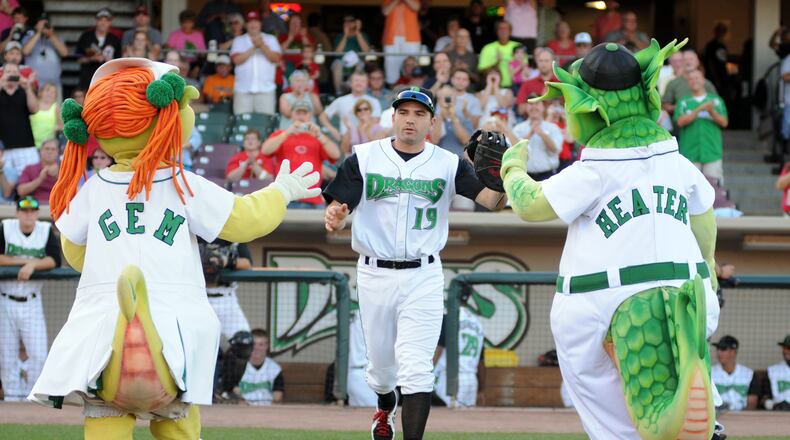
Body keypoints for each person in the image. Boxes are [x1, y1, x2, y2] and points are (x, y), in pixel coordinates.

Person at [323, 87, 506, 440]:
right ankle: (384, 403)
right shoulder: (364, 157)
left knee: (418, 368)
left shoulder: (449, 163)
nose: (410, 119)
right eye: (404, 112)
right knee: (380, 369)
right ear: (393, 118)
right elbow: (336, 209)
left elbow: (493, 202)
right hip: (374, 272)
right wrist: (334, 215)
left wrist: (503, 173)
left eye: (419, 114)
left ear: (432, 123)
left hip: (424, 274)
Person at [0, 196, 60, 401]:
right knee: (7, 358)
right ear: (17, 213)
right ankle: (11, 399)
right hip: (5, 300)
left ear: (36, 213)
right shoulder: (6, 227)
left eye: (32, 211)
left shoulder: (44, 231)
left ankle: (33, 400)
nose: (28, 214)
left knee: (38, 354)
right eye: (24, 211)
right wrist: (21, 262)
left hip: (32, 301)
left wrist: (33, 265)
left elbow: (54, 260)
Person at [262, 101, 341, 209]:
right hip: (286, 197)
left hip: (312, 198)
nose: (301, 116)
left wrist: (320, 135)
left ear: (310, 116)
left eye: (305, 113)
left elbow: (336, 154)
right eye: (298, 113)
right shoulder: (282, 134)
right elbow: (265, 150)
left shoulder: (317, 137)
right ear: (292, 115)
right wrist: (286, 133)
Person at [673, 69, 728, 183]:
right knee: (690, 190)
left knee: (714, 190)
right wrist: (699, 109)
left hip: (712, 152)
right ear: (688, 83)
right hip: (690, 153)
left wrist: (711, 111)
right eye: (691, 79)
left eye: (697, 78)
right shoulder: (683, 101)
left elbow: (724, 122)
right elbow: (680, 122)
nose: (694, 81)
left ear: (703, 80)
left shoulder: (715, 100)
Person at [433, 290, 485, 407]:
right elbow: (481, 362)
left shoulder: (449, 318)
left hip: (451, 379)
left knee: (449, 420)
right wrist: (481, 390)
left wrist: (426, 374)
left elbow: (438, 351)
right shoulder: (477, 323)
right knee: (468, 421)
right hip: (471, 381)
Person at [199, 238, 252, 339]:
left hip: (227, 298)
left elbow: (247, 263)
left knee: (244, 341)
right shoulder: (196, 234)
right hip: (201, 298)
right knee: (202, 343)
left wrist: (226, 261)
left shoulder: (235, 236)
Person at [230, 10, 281, 115]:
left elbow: (276, 58)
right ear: (246, 24)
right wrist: (254, 47)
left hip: (266, 90)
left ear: (260, 24)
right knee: (241, 123)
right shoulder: (238, 40)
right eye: (250, 22)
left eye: (256, 21)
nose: (253, 24)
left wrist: (262, 46)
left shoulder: (271, 39)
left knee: (265, 123)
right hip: (243, 90)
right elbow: (236, 60)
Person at [319, 71, 382, 140]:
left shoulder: (374, 101)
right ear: (350, 83)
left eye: (362, 81)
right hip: (345, 141)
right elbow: (323, 116)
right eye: (356, 80)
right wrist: (333, 130)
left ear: (367, 84)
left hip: (366, 140)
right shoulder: (341, 100)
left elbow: (375, 122)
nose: (359, 83)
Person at [512, 95, 563, 180]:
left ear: (543, 107)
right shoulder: (518, 128)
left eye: (537, 104)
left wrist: (541, 133)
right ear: (526, 107)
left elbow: (555, 150)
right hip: (525, 176)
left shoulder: (553, 128)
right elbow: (516, 151)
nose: (534, 107)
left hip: (548, 176)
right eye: (531, 104)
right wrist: (530, 133)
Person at [0, 63, 38, 175]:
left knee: (29, 180)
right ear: (3, 74)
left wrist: (28, 88)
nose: (11, 75)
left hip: (26, 147)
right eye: (8, 72)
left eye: (15, 73)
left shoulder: (24, 92)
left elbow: (34, 109)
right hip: (3, 149)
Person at [21, 13, 68, 96]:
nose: (44, 26)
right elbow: (25, 51)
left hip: (54, 84)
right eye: (41, 24)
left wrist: (51, 35)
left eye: (46, 24)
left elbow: (65, 53)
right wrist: (38, 33)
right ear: (36, 25)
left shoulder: (57, 38)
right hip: (33, 84)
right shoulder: (28, 37)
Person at [74, 8, 121, 89]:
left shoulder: (115, 40)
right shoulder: (86, 37)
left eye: (106, 20)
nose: (103, 23)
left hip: (108, 81)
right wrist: (92, 59)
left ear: (110, 22)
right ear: (96, 21)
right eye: (100, 20)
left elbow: (119, 62)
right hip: (87, 81)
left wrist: (109, 61)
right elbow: (78, 59)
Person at [710, 335, 759, 412]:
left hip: (742, 417)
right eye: (718, 349)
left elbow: (752, 401)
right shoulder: (710, 372)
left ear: (733, 352)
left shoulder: (748, 374)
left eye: (723, 349)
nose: (719, 352)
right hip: (716, 417)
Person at [662, 50, 719, 114]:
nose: (688, 62)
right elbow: (665, 106)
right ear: (681, 63)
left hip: (705, 121)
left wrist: (702, 107)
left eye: (691, 59)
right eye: (685, 60)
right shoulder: (673, 83)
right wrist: (682, 106)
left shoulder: (707, 83)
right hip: (681, 121)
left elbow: (717, 103)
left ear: (698, 62)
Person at [237, 328, 284, 405]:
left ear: (267, 346)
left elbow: (278, 397)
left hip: (267, 411)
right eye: (254, 344)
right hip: (243, 410)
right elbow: (232, 393)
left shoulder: (275, 369)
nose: (257, 348)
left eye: (261, 344)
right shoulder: (237, 366)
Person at [382, 0, 421, 85]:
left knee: (412, 65)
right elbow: (385, 11)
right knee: (391, 66)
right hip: (391, 39)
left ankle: (414, 87)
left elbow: (416, 7)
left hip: (411, 38)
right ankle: (392, 89)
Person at [347, 309, 378, 407]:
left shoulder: (355, 313)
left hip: (354, 375)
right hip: (363, 375)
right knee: (373, 416)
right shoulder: (371, 315)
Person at [331, 15, 370, 94]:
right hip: (341, 61)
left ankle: (356, 91)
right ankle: (338, 93)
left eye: (350, 21)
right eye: (346, 21)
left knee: (359, 65)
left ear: (356, 23)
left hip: (357, 62)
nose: (347, 23)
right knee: (337, 65)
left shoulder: (362, 35)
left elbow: (366, 51)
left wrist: (358, 31)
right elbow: (337, 53)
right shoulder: (340, 36)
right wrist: (345, 35)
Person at [478, 20, 521, 88]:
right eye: (500, 28)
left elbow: (525, 67)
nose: (503, 31)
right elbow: (481, 71)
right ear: (496, 31)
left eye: (506, 28)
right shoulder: (487, 48)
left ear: (510, 32)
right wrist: (496, 63)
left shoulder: (518, 47)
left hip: (516, 86)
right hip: (493, 86)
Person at [17, 138, 59, 203]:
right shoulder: (29, 168)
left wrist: (57, 177)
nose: (49, 152)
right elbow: (21, 191)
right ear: (40, 151)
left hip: (58, 206)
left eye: (53, 149)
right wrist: (40, 179)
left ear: (57, 152)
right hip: (34, 207)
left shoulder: (64, 169)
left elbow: (73, 192)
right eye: (47, 149)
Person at [516, 47, 557, 115]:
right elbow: (520, 110)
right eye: (541, 60)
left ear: (553, 62)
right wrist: (541, 99)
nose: (543, 63)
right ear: (536, 62)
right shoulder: (527, 84)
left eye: (546, 61)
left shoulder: (561, 83)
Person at [29, 83, 62, 149]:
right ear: (40, 93)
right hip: (31, 142)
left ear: (56, 96)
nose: (50, 93)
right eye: (47, 90)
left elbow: (61, 125)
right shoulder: (33, 105)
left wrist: (57, 128)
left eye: (53, 92)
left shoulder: (56, 108)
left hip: (48, 145)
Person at [762, 335, 790, 411]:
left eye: (789, 348)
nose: (785, 351)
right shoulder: (772, 371)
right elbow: (764, 397)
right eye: (784, 348)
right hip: (778, 414)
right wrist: (771, 405)